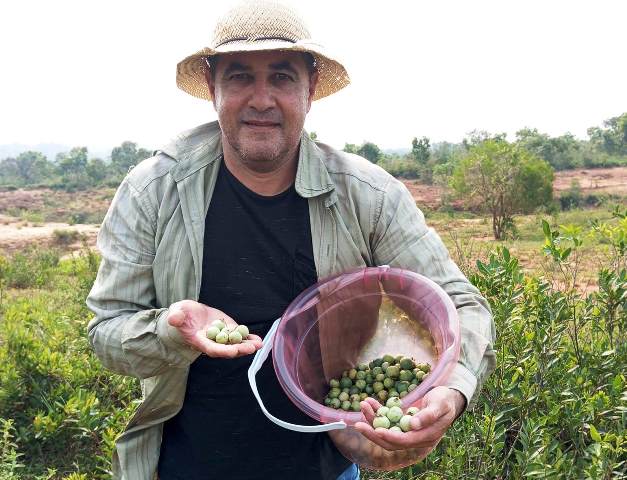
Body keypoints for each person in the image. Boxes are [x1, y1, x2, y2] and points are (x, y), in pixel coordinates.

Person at [86, 1, 496, 479]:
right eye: (240, 77)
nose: (262, 99)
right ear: (213, 88)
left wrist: (452, 390)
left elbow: (461, 303)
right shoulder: (153, 191)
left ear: (310, 89)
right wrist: (170, 330)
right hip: (187, 467)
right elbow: (106, 332)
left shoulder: (367, 196)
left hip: (328, 467)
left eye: (281, 77)